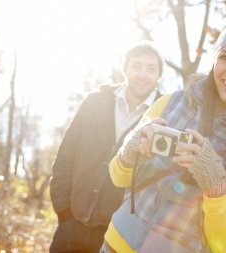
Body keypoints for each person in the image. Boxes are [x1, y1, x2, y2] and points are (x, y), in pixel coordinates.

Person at [101, 16, 226, 253]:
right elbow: (118, 177)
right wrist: (129, 150)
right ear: (214, 61)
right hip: (115, 245)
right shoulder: (169, 103)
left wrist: (215, 184)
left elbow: (225, 243)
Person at [49, 41, 164, 253]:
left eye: (151, 68)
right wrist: (64, 213)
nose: (142, 74)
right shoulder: (94, 102)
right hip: (70, 224)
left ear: (159, 76)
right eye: (136, 66)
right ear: (126, 69)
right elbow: (65, 155)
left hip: (117, 237)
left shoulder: (165, 117)